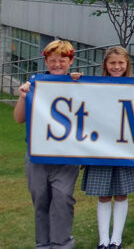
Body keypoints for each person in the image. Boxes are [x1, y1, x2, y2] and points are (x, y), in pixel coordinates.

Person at [78, 47, 134, 249]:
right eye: (112, 63)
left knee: (121, 193)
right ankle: (103, 239)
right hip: (100, 147)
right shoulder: (94, 85)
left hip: (124, 147)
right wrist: (75, 79)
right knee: (104, 194)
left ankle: (116, 239)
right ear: (105, 65)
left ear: (127, 65)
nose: (117, 67)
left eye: (121, 63)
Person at [14, 40, 78, 249]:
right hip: (38, 156)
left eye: (62, 60)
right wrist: (24, 97)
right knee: (40, 201)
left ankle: (61, 244)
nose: (57, 64)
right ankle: (42, 244)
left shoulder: (79, 84)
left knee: (62, 199)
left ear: (70, 61)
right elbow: (18, 118)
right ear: (46, 61)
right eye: (52, 61)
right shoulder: (35, 85)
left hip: (66, 156)